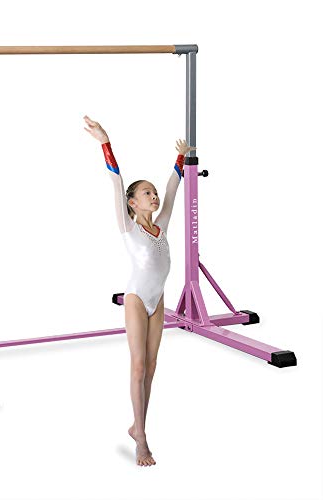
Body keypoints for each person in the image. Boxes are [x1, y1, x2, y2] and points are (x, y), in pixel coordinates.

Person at [83, 114, 196, 467]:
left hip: (157, 300)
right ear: (133, 203)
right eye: (147, 193)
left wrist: (181, 157)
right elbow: (116, 180)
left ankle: (137, 425)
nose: (155, 195)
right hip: (135, 298)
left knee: (152, 364)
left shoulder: (161, 225)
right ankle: (142, 439)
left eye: (153, 192)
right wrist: (105, 142)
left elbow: (174, 187)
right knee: (137, 367)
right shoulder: (128, 227)